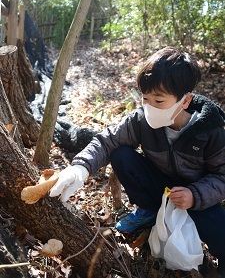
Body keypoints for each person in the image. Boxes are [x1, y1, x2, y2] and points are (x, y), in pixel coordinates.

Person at [50, 47, 225, 276]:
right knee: (121, 154)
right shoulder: (141, 121)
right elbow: (107, 141)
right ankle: (149, 211)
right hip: (159, 184)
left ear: (185, 101)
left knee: (221, 233)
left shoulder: (211, 131)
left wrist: (195, 195)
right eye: (145, 98)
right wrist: (80, 168)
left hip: (194, 194)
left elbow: (222, 176)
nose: (149, 107)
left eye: (159, 100)